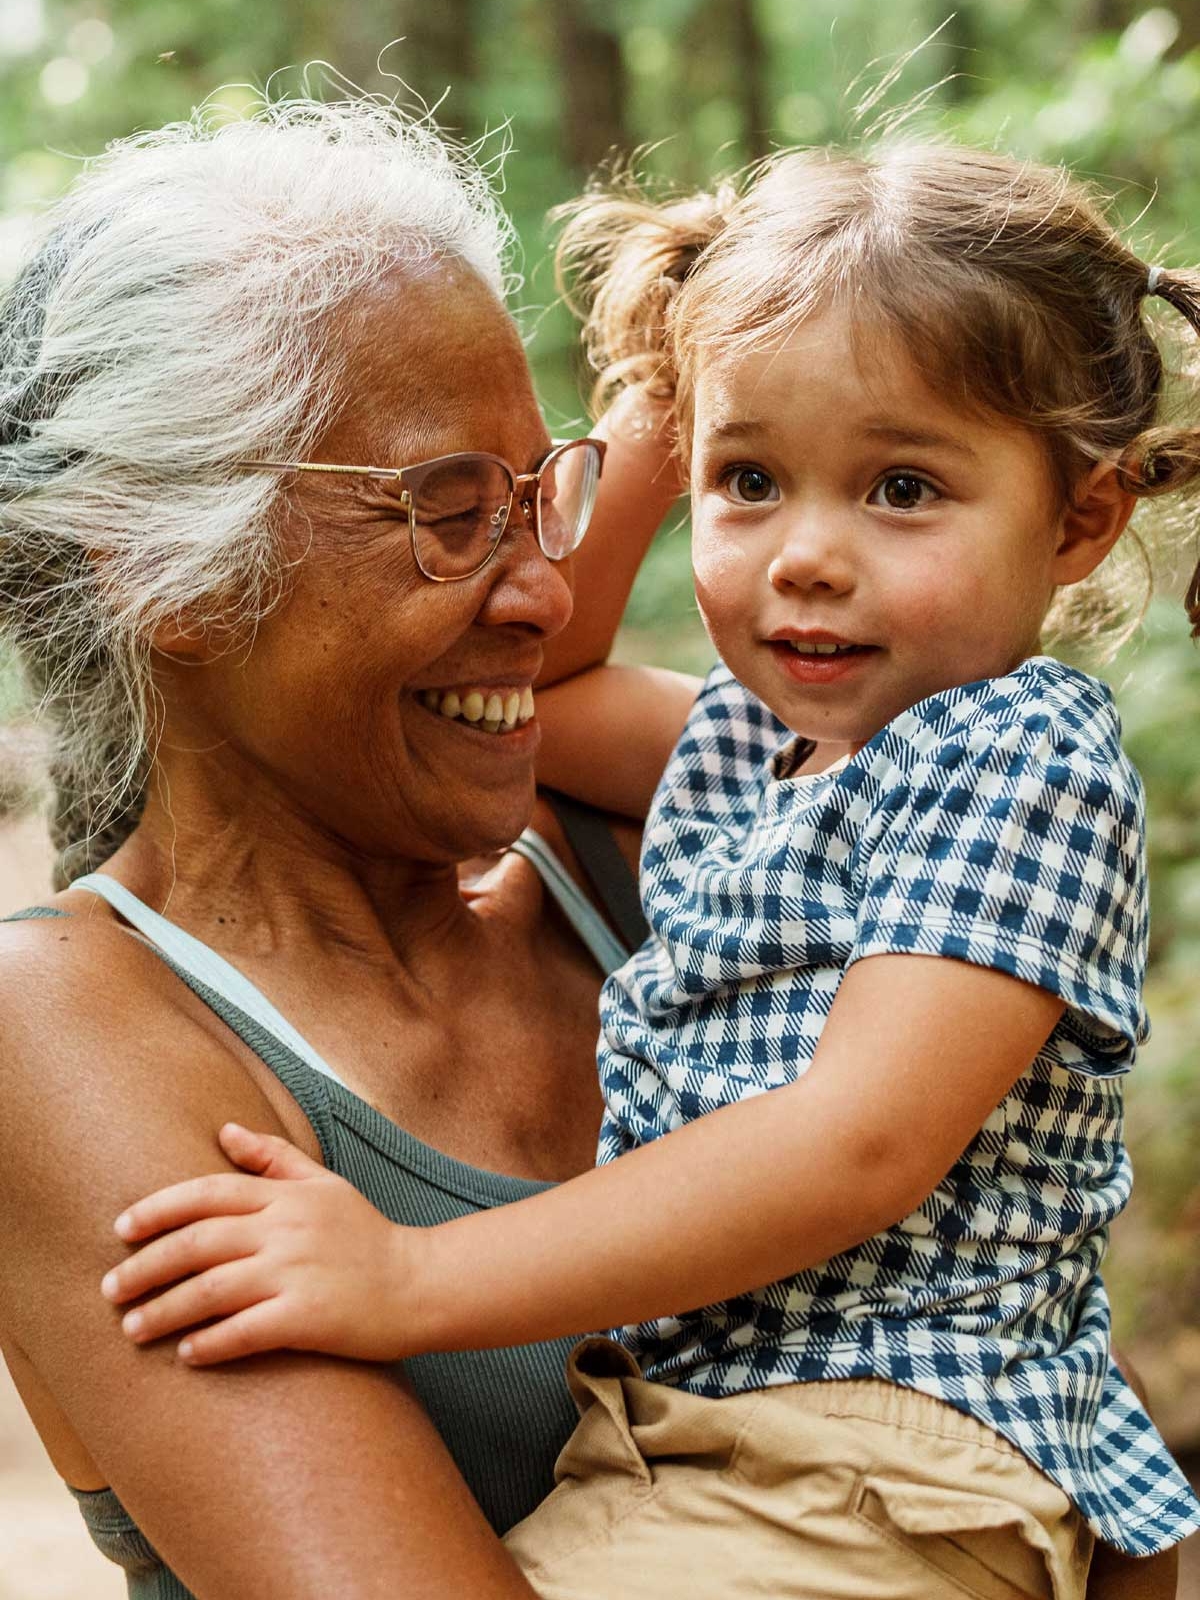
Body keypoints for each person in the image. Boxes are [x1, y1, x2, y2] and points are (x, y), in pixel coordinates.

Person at [105, 140, 1200, 1599]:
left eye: (902, 489)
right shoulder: (754, 744)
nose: (805, 556)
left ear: (1078, 521)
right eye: (750, 481)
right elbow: (538, 682)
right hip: (721, 1442)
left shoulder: (1018, 758)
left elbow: (856, 1146)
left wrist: (411, 1280)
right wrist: (659, 402)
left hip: (884, 1459)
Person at [0, 93, 689, 1600]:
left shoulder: (649, 859)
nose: (547, 596)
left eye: (536, 496)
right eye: (449, 513)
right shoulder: (65, 1032)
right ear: (165, 572)